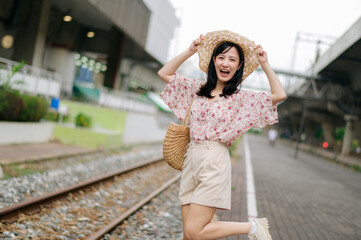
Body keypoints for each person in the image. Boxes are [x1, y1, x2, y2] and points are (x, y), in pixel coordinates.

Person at [158, 30, 286, 240]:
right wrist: (191, 50)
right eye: (221, 57)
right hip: (191, 158)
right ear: (213, 61)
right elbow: (165, 73)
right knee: (188, 235)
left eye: (232, 59)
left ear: (238, 67)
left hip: (214, 161)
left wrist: (265, 64)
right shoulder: (198, 89)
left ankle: (252, 228)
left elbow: (279, 94)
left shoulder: (240, 98)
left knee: (195, 231)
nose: (226, 63)